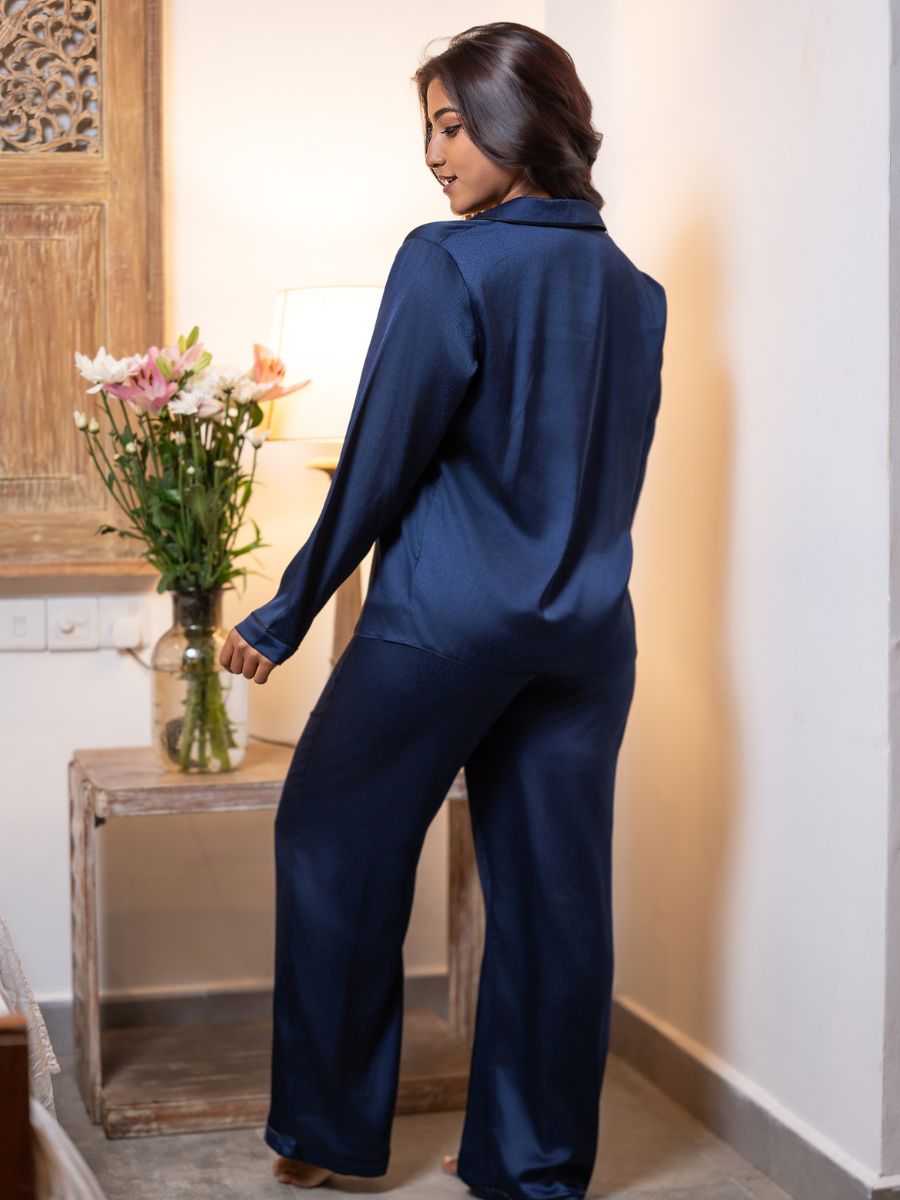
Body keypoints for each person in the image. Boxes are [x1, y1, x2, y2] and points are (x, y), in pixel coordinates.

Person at [219, 20, 667, 1200]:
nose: (433, 152)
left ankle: (325, 1133)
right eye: (428, 126)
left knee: (333, 838)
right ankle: (536, 1170)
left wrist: (286, 611)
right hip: (586, 635)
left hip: (445, 625)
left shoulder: (447, 260)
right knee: (553, 899)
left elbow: (379, 459)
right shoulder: (638, 291)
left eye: (454, 124)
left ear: (524, 123)